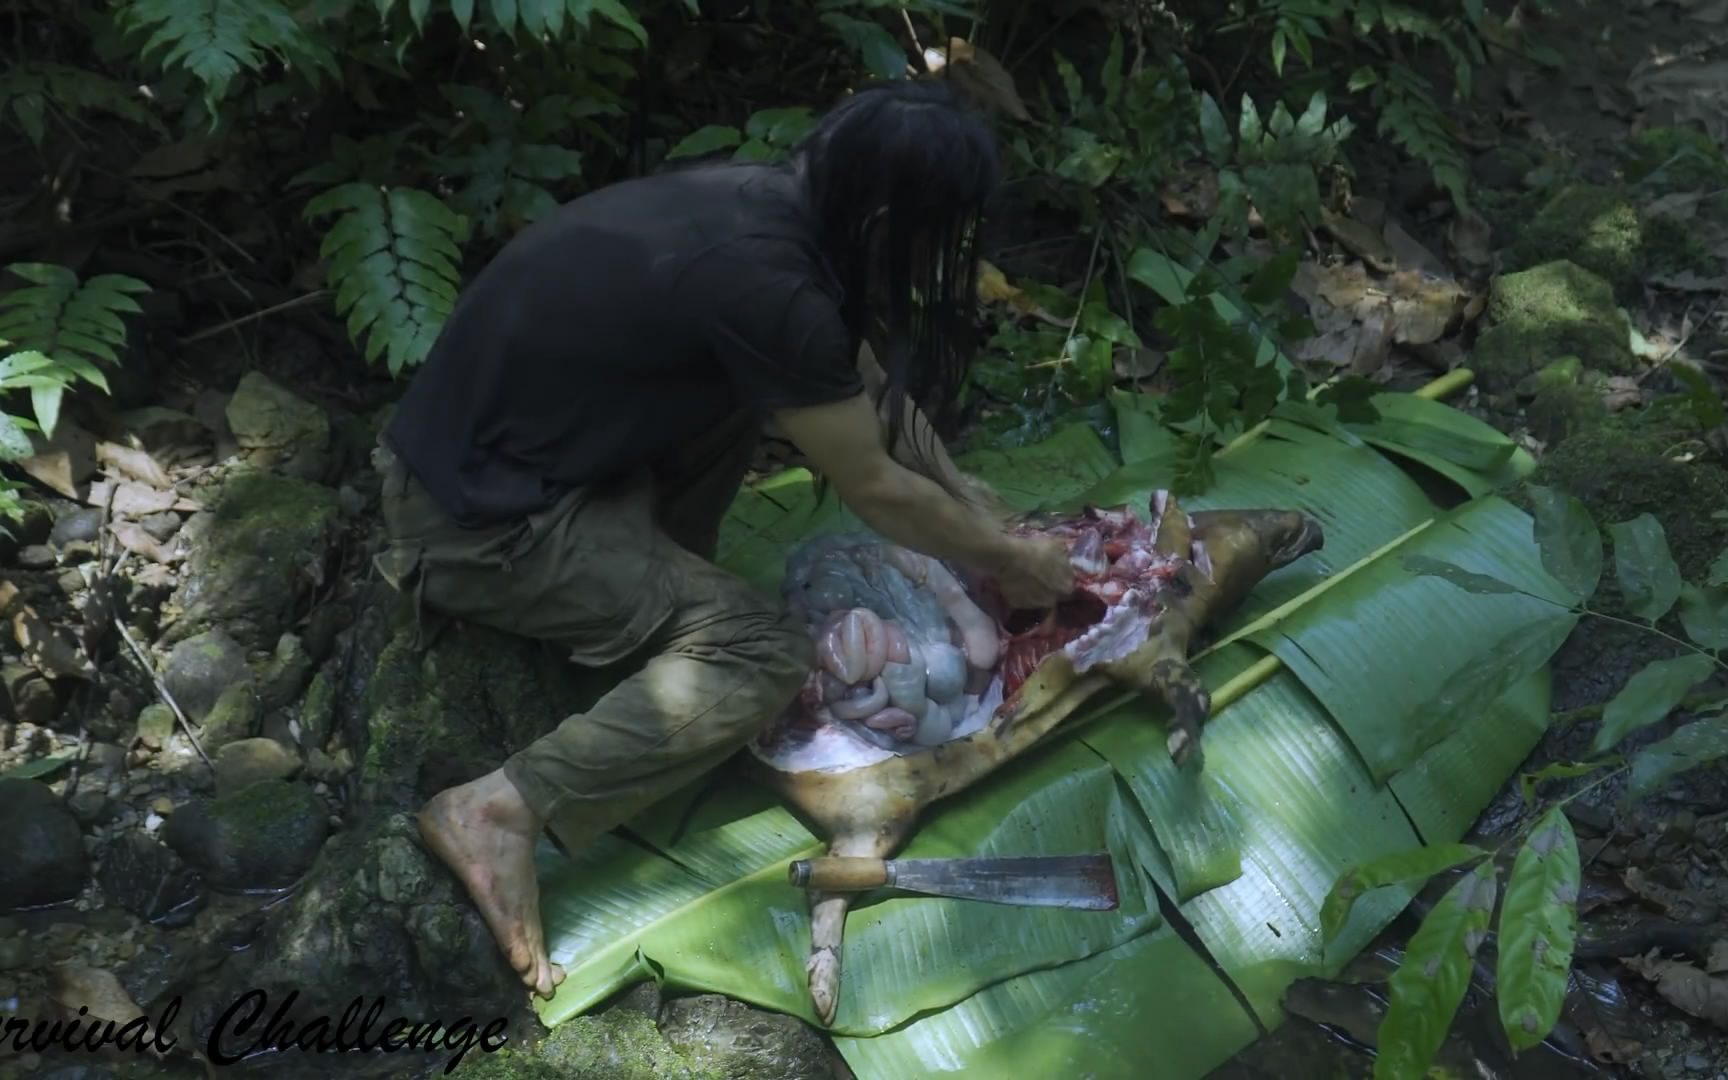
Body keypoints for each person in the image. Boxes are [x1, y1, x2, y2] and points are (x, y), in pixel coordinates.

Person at [371, 78, 1077, 1000]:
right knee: (763, 650)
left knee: (750, 399)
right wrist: (1009, 560)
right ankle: (501, 807)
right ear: (888, 216)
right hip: (481, 526)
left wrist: (960, 491)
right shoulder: (765, 282)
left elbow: (846, 374)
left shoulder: (761, 207)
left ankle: (660, 610)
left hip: (526, 461)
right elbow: (869, 485)